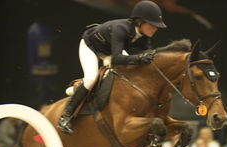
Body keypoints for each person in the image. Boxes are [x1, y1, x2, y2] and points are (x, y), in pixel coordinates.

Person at [58, 1, 167, 134]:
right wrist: (138, 59)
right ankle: (66, 116)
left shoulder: (144, 36)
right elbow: (117, 58)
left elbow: (148, 56)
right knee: (91, 79)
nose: (155, 28)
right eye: (152, 24)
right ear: (140, 21)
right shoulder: (121, 29)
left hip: (110, 50)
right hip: (91, 46)